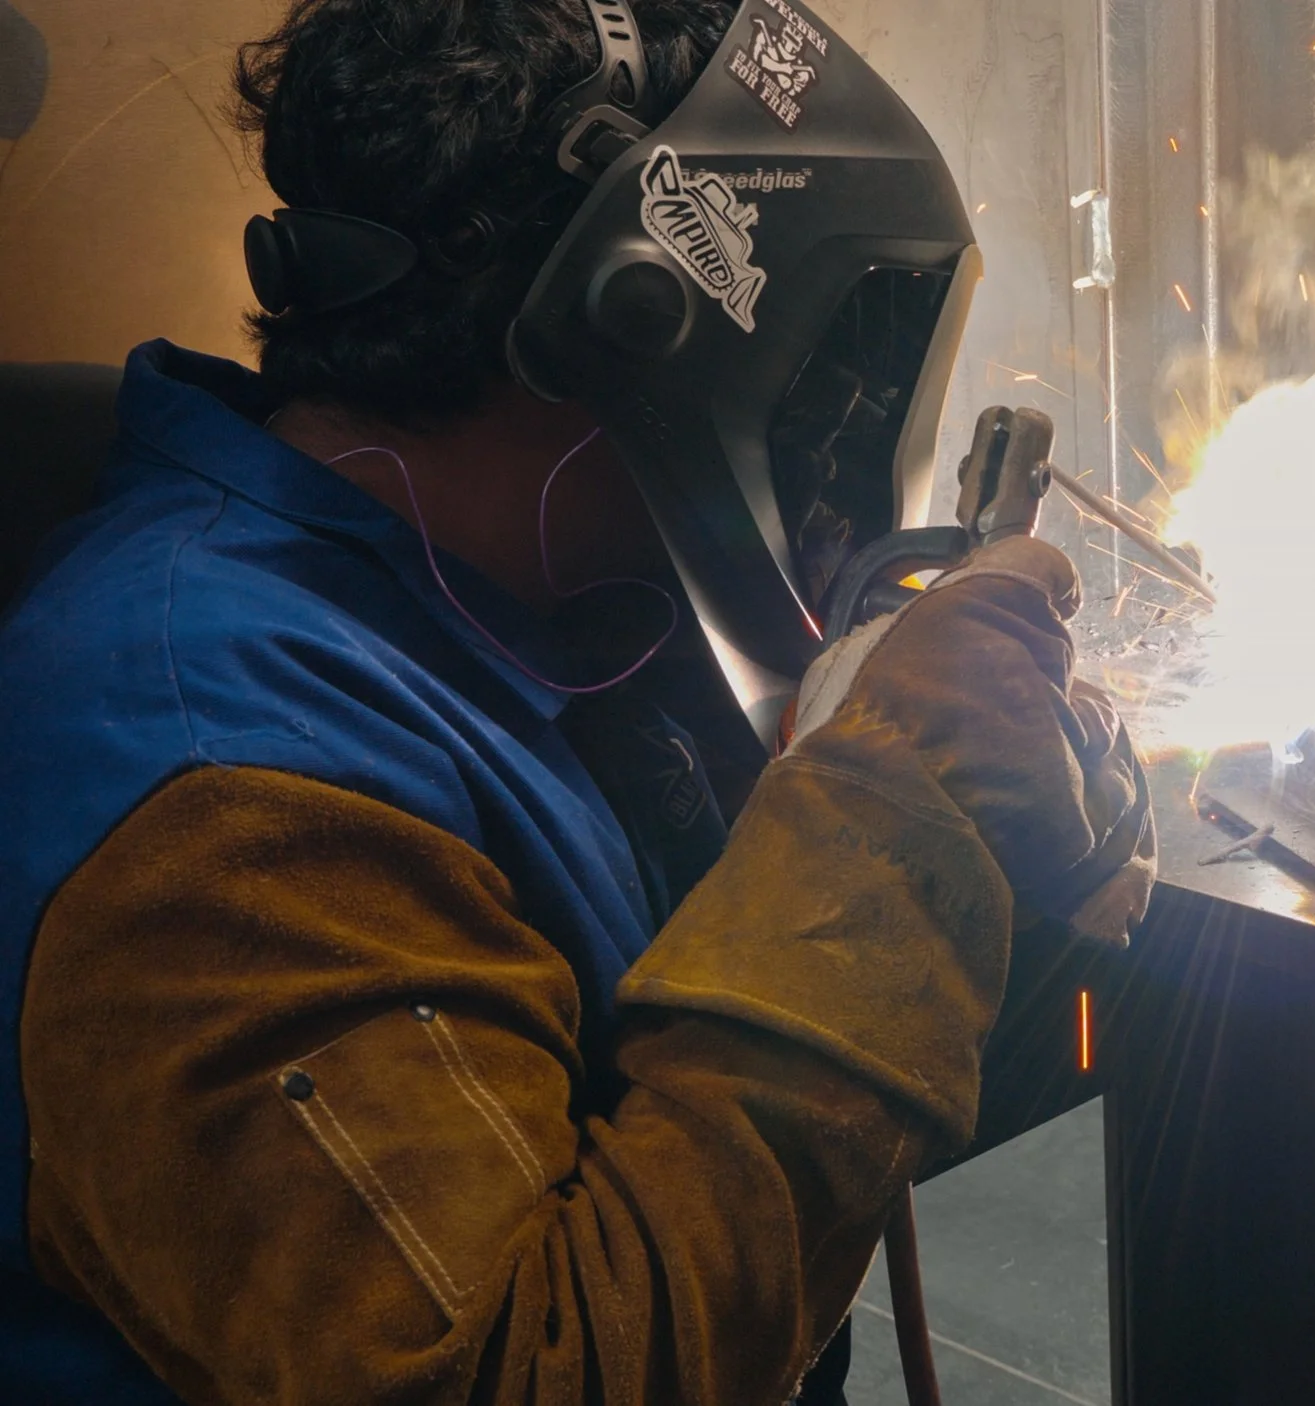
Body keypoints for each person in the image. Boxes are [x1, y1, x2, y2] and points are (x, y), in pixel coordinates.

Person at [0, 0, 1153, 1401]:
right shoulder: (219, 799)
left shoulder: (516, 604)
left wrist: (992, 865)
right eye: (826, 359)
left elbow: (718, 1086)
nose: (842, 416)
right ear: (639, 321)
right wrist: (890, 812)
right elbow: (542, 1369)